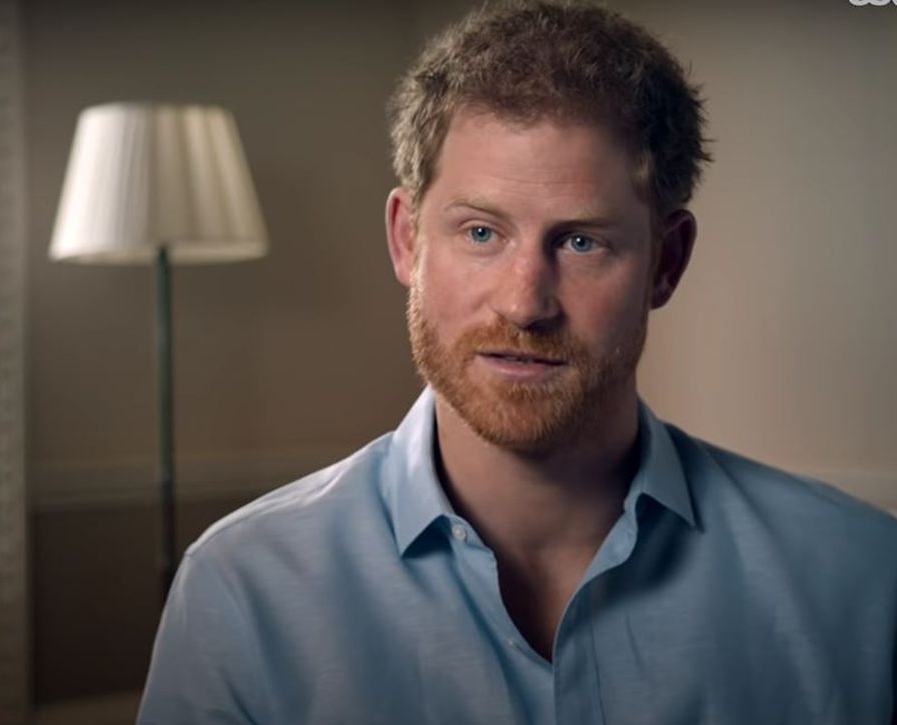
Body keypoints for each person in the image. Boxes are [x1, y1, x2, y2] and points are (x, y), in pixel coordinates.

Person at [137, 1, 897, 723]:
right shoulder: (243, 594)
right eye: (481, 233)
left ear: (666, 263)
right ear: (407, 240)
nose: (525, 302)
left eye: (581, 241)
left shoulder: (862, 582)